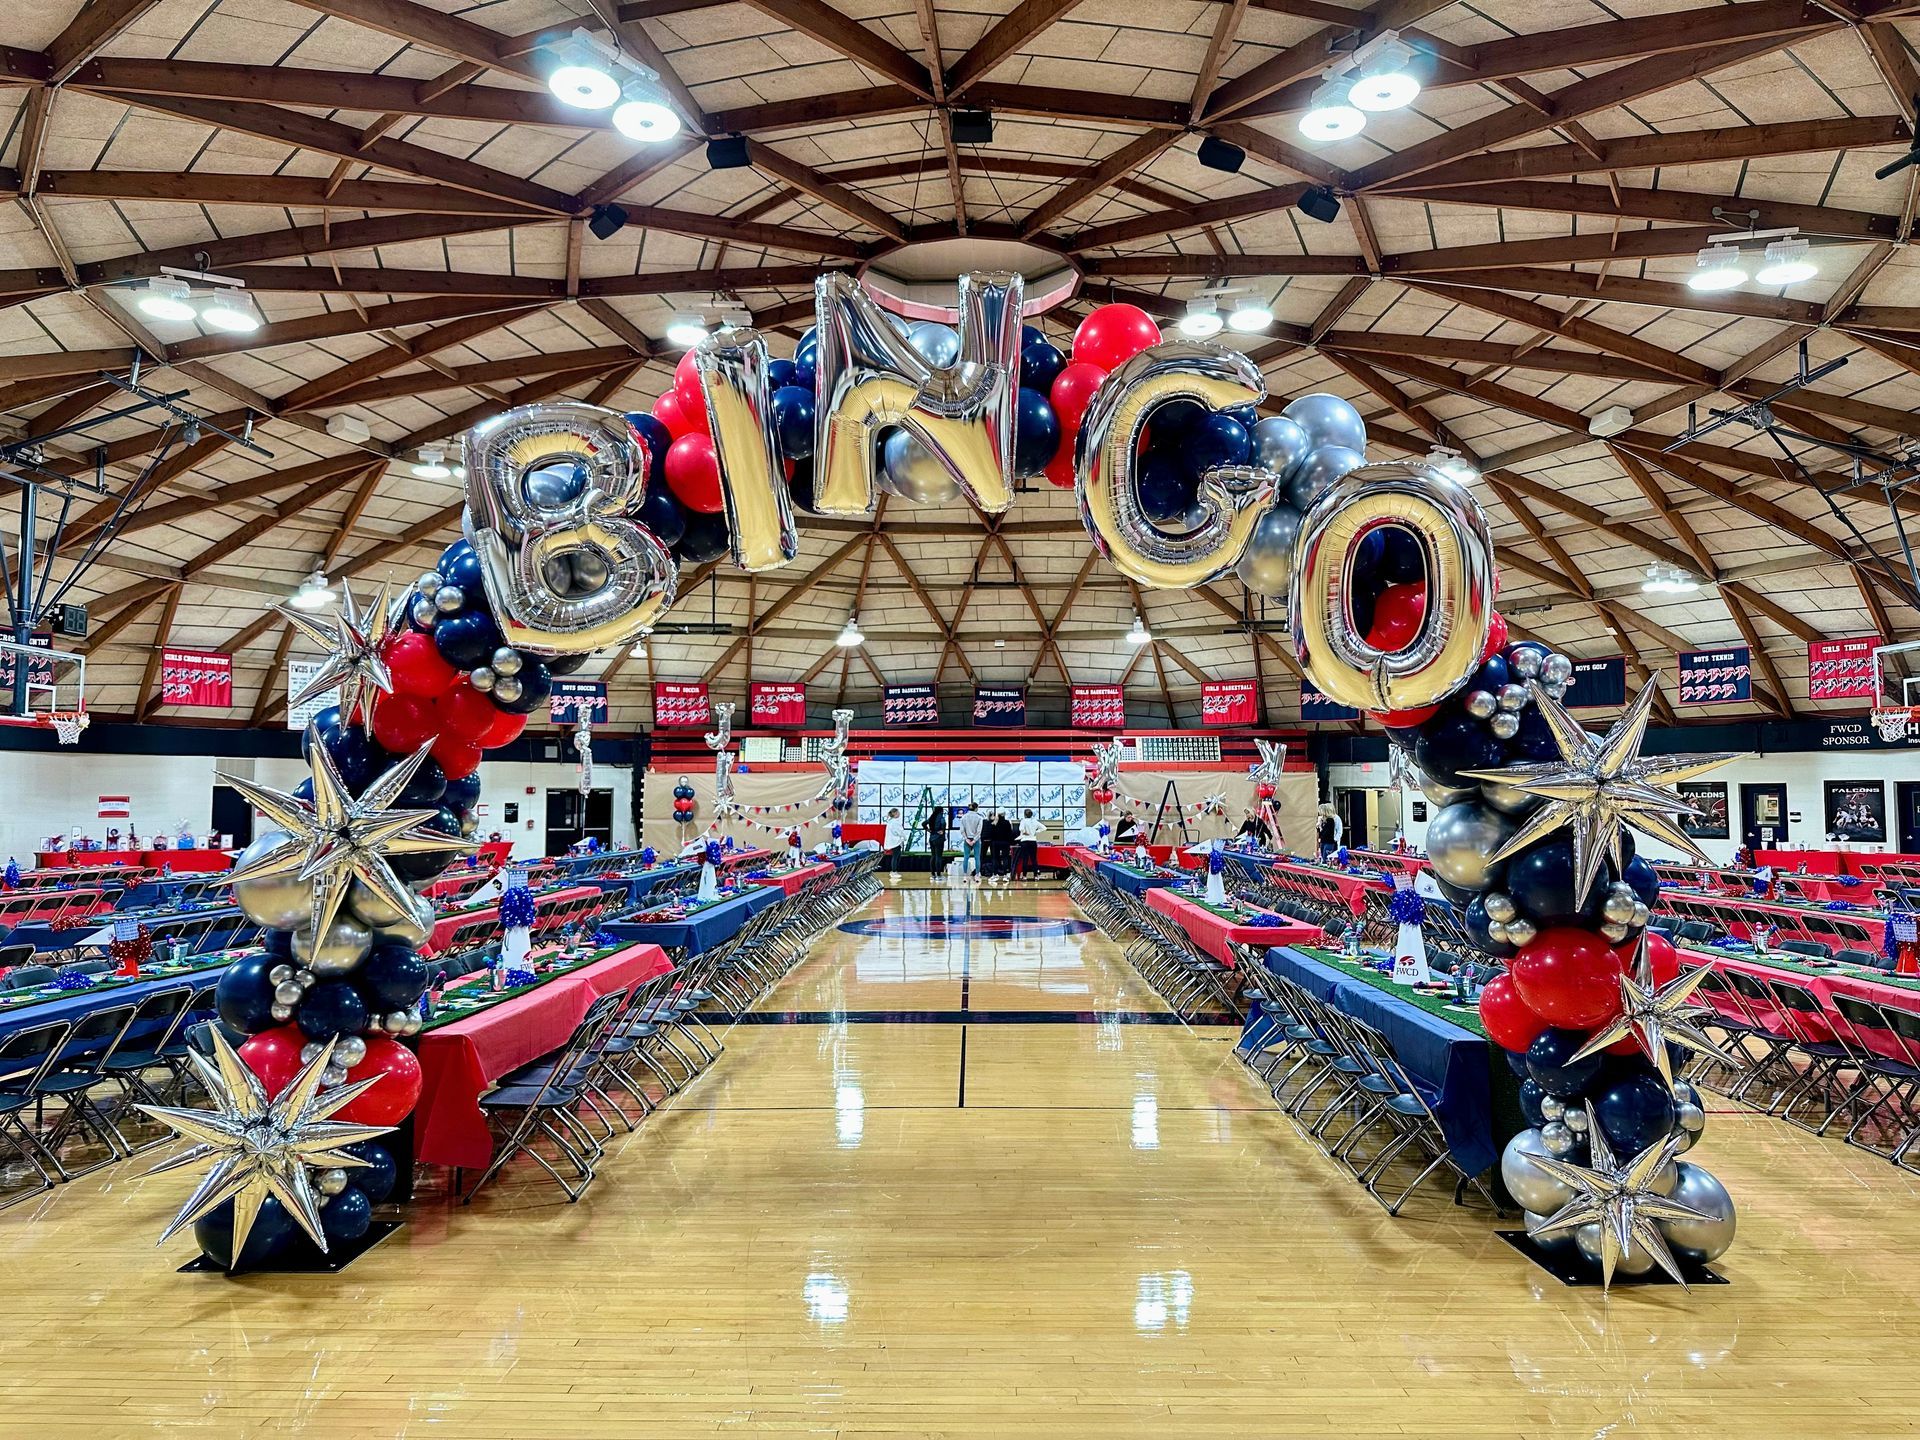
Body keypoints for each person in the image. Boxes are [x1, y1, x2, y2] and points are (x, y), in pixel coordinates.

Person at [958, 803, 985, 879]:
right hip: (975, 840)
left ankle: (965, 875)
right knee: (977, 858)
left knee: (966, 857)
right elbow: (979, 831)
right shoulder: (979, 818)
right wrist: (974, 840)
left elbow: (962, 830)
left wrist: (966, 839)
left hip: (967, 839)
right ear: (976, 808)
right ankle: (977, 875)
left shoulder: (963, 817)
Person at [987, 810, 1015, 878]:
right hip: (1005, 843)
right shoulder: (1007, 822)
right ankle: (1005, 874)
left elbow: (990, 834)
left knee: (995, 858)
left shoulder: (994, 823)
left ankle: (995, 874)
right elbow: (1010, 833)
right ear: (1004, 814)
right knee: (1005, 858)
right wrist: (1011, 842)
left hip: (995, 843)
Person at [1016, 809, 1042, 880]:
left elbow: (1021, 829)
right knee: (1034, 859)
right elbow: (1044, 828)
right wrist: (1036, 832)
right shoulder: (1034, 821)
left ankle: (1024, 876)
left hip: (1025, 841)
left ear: (1024, 814)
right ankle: (1036, 876)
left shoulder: (1023, 821)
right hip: (1033, 841)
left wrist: (1024, 832)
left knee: (1025, 859)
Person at [883, 808, 903, 878]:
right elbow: (899, 832)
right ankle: (894, 871)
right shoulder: (895, 822)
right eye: (898, 812)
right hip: (895, 842)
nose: (899, 814)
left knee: (896, 856)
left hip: (893, 841)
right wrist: (904, 837)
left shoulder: (890, 821)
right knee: (895, 857)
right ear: (895, 814)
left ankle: (894, 871)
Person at [927, 805, 947, 875]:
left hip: (932, 838)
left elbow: (923, 823)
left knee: (933, 856)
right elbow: (943, 823)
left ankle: (932, 872)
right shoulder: (941, 818)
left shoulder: (931, 817)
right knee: (938, 856)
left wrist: (929, 830)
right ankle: (938, 873)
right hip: (939, 839)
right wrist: (943, 830)